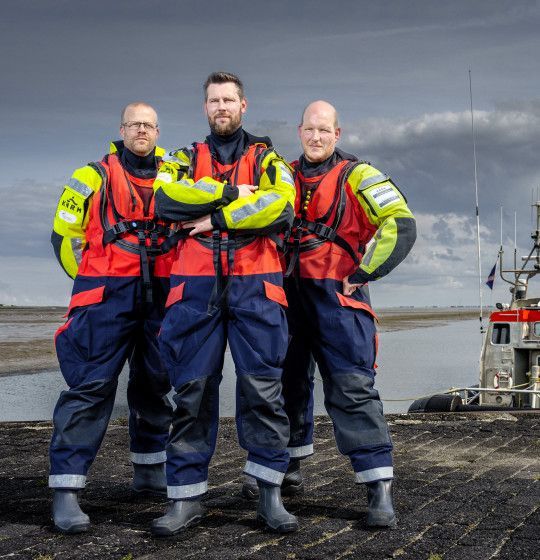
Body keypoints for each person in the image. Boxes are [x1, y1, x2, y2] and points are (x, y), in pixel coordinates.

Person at [245, 100, 416, 527]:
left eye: (325, 130)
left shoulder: (358, 175)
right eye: (309, 130)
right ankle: (290, 467)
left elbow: (400, 222)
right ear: (298, 131)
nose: (316, 137)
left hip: (338, 297)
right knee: (284, 385)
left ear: (337, 134)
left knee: (352, 388)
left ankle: (378, 490)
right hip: (284, 294)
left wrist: (365, 270)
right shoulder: (280, 173)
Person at [150, 72, 298, 535]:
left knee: (263, 392)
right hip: (194, 288)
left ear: (244, 105)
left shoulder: (268, 157)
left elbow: (282, 206)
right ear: (205, 108)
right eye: (213, 100)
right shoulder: (179, 157)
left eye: (228, 99)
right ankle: (185, 498)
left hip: (257, 285)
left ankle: (269, 493)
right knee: (191, 393)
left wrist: (214, 217)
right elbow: (165, 200)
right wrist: (234, 195)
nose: (221, 107)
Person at [49, 102, 174, 533]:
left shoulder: (176, 175)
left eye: (148, 125)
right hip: (105, 298)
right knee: (90, 388)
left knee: (156, 384)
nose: (141, 130)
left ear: (158, 132)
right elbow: (62, 235)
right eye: (134, 124)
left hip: (160, 294)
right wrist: (87, 281)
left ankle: (149, 470)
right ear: (121, 129)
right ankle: (66, 491)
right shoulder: (90, 175)